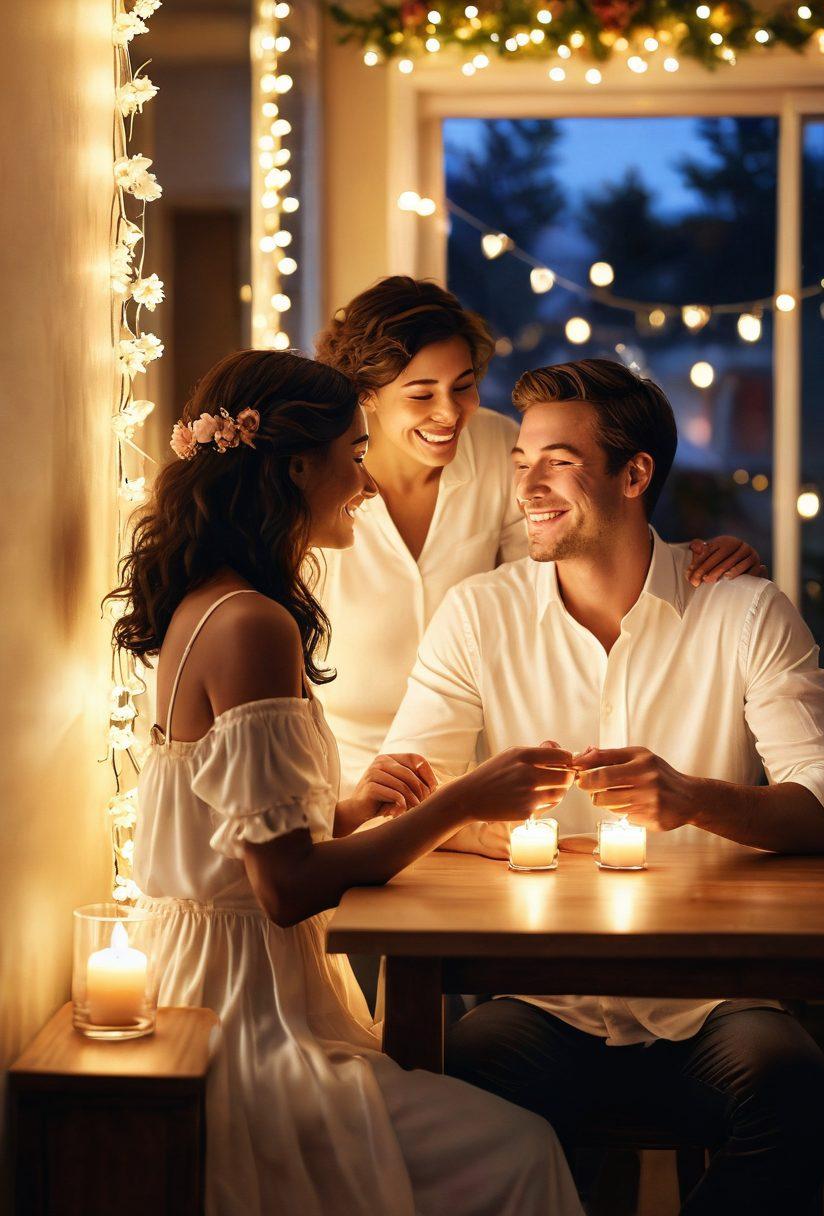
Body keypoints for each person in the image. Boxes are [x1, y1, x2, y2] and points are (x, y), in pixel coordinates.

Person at [109, 349, 584, 1216]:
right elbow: (284, 888)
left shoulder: (210, 603)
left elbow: (234, 831)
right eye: (355, 456)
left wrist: (349, 809)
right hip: (243, 1020)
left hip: (204, 982)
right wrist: (463, 802)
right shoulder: (253, 624)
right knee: (521, 1149)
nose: (366, 483)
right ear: (298, 468)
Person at [383, 357, 824, 1214]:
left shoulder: (744, 612)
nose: (528, 486)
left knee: (796, 1090)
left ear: (635, 475)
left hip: (716, 1002)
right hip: (540, 1000)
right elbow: (407, 790)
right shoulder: (479, 614)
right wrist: (487, 823)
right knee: (453, 1078)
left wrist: (695, 800)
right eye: (522, 461)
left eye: (558, 462)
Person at [314, 276, 765, 799]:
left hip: (471, 771)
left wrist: (689, 564)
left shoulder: (495, 445)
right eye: (421, 394)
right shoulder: (320, 483)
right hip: (349, 782)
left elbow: (563, 553)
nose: (450, 412)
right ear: (366, 395)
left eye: (463, 386)